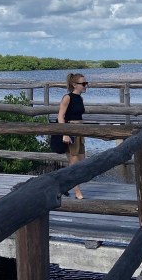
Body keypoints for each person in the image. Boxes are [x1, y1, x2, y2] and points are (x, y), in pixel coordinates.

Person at [57, 72, 88, 200]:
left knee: (81, 161)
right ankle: (77, 192)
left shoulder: (80, 98)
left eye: (86, 83)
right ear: (74, 85)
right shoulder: (67, 98)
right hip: (70, 131)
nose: (86, 86)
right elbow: (60, 116)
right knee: (74, 162)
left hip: (80, 131)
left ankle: (62, 185)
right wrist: (65, 133)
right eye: (83, 84)